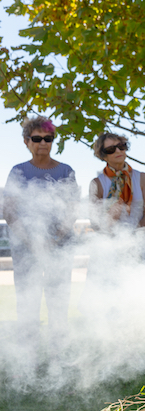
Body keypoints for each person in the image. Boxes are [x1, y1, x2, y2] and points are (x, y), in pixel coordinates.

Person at [2, 116, 78, 335]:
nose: (43, 143)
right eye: (37, 138)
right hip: (25, 247)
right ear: (26, 141)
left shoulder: (66, 171)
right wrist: (31, 241)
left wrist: (55, 239)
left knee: (59, 302)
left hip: (60, 246)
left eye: (48, 138)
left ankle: (58, 355)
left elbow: (72, 210)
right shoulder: (17, 171)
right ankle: (28, 357)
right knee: (27, 302)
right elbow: (9, 211)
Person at [90, 132, 145, 230]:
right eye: (111, 149)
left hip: (142, 239)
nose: (118, 151)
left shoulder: (142, 178)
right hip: (110, 242)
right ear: (103, 156)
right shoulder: (97, 183)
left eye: (121, 146)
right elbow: (95, 220)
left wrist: (133, 237)